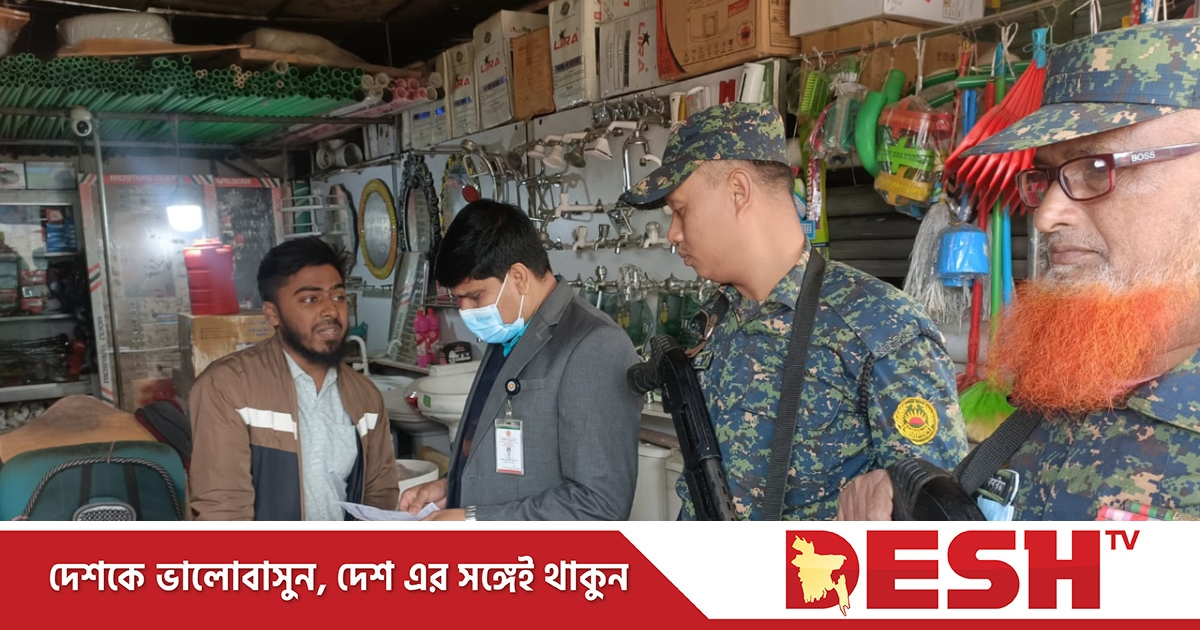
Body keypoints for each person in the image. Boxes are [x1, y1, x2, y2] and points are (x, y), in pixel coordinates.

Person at [837, 20, 1200, 521]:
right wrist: (912, 496)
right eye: (1045, 176)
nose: (1047, 216)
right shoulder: (1072, 379)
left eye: (1096, 168)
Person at [619, 102, 968, 520]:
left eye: (680, 210)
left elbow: (935, 511)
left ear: (738, 191)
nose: (673, 234)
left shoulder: (881, 326)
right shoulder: (721, 316)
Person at [399, 200, 643, 521]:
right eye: (460, 299)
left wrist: (473, 520)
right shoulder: (509, 330)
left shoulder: (594, 344)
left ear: (518, 277)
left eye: (475, 296)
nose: (466, 311)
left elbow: (600, 505)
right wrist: (451, 489)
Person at [188, 237, 398, 520]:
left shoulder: (365, 397)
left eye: (338, 296)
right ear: (272, 314)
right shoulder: (228, 386)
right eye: (311, 299)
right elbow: (223, 510)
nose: (331, 310)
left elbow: (379, 497)